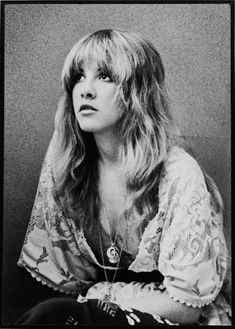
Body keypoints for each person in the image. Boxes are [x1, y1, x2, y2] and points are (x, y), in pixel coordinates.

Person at [16, 29, 231, 326]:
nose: (85, 90)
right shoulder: (67, 161)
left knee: (52, 314)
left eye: (104, 76)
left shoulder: (178, 172)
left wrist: (102, 301)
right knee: (48, 316)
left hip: (174, 317)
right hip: (101, 306)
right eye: (79, 76)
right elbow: (71, 278)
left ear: (138, 90)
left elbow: (187, 308)